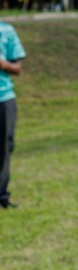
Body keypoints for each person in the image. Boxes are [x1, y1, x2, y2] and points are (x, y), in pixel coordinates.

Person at [0, 21, 25, 209]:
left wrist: (3, 64)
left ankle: (2, 197)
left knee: (5, 148)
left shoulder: (7, 31)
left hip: (4, 99)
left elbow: (17, 68)